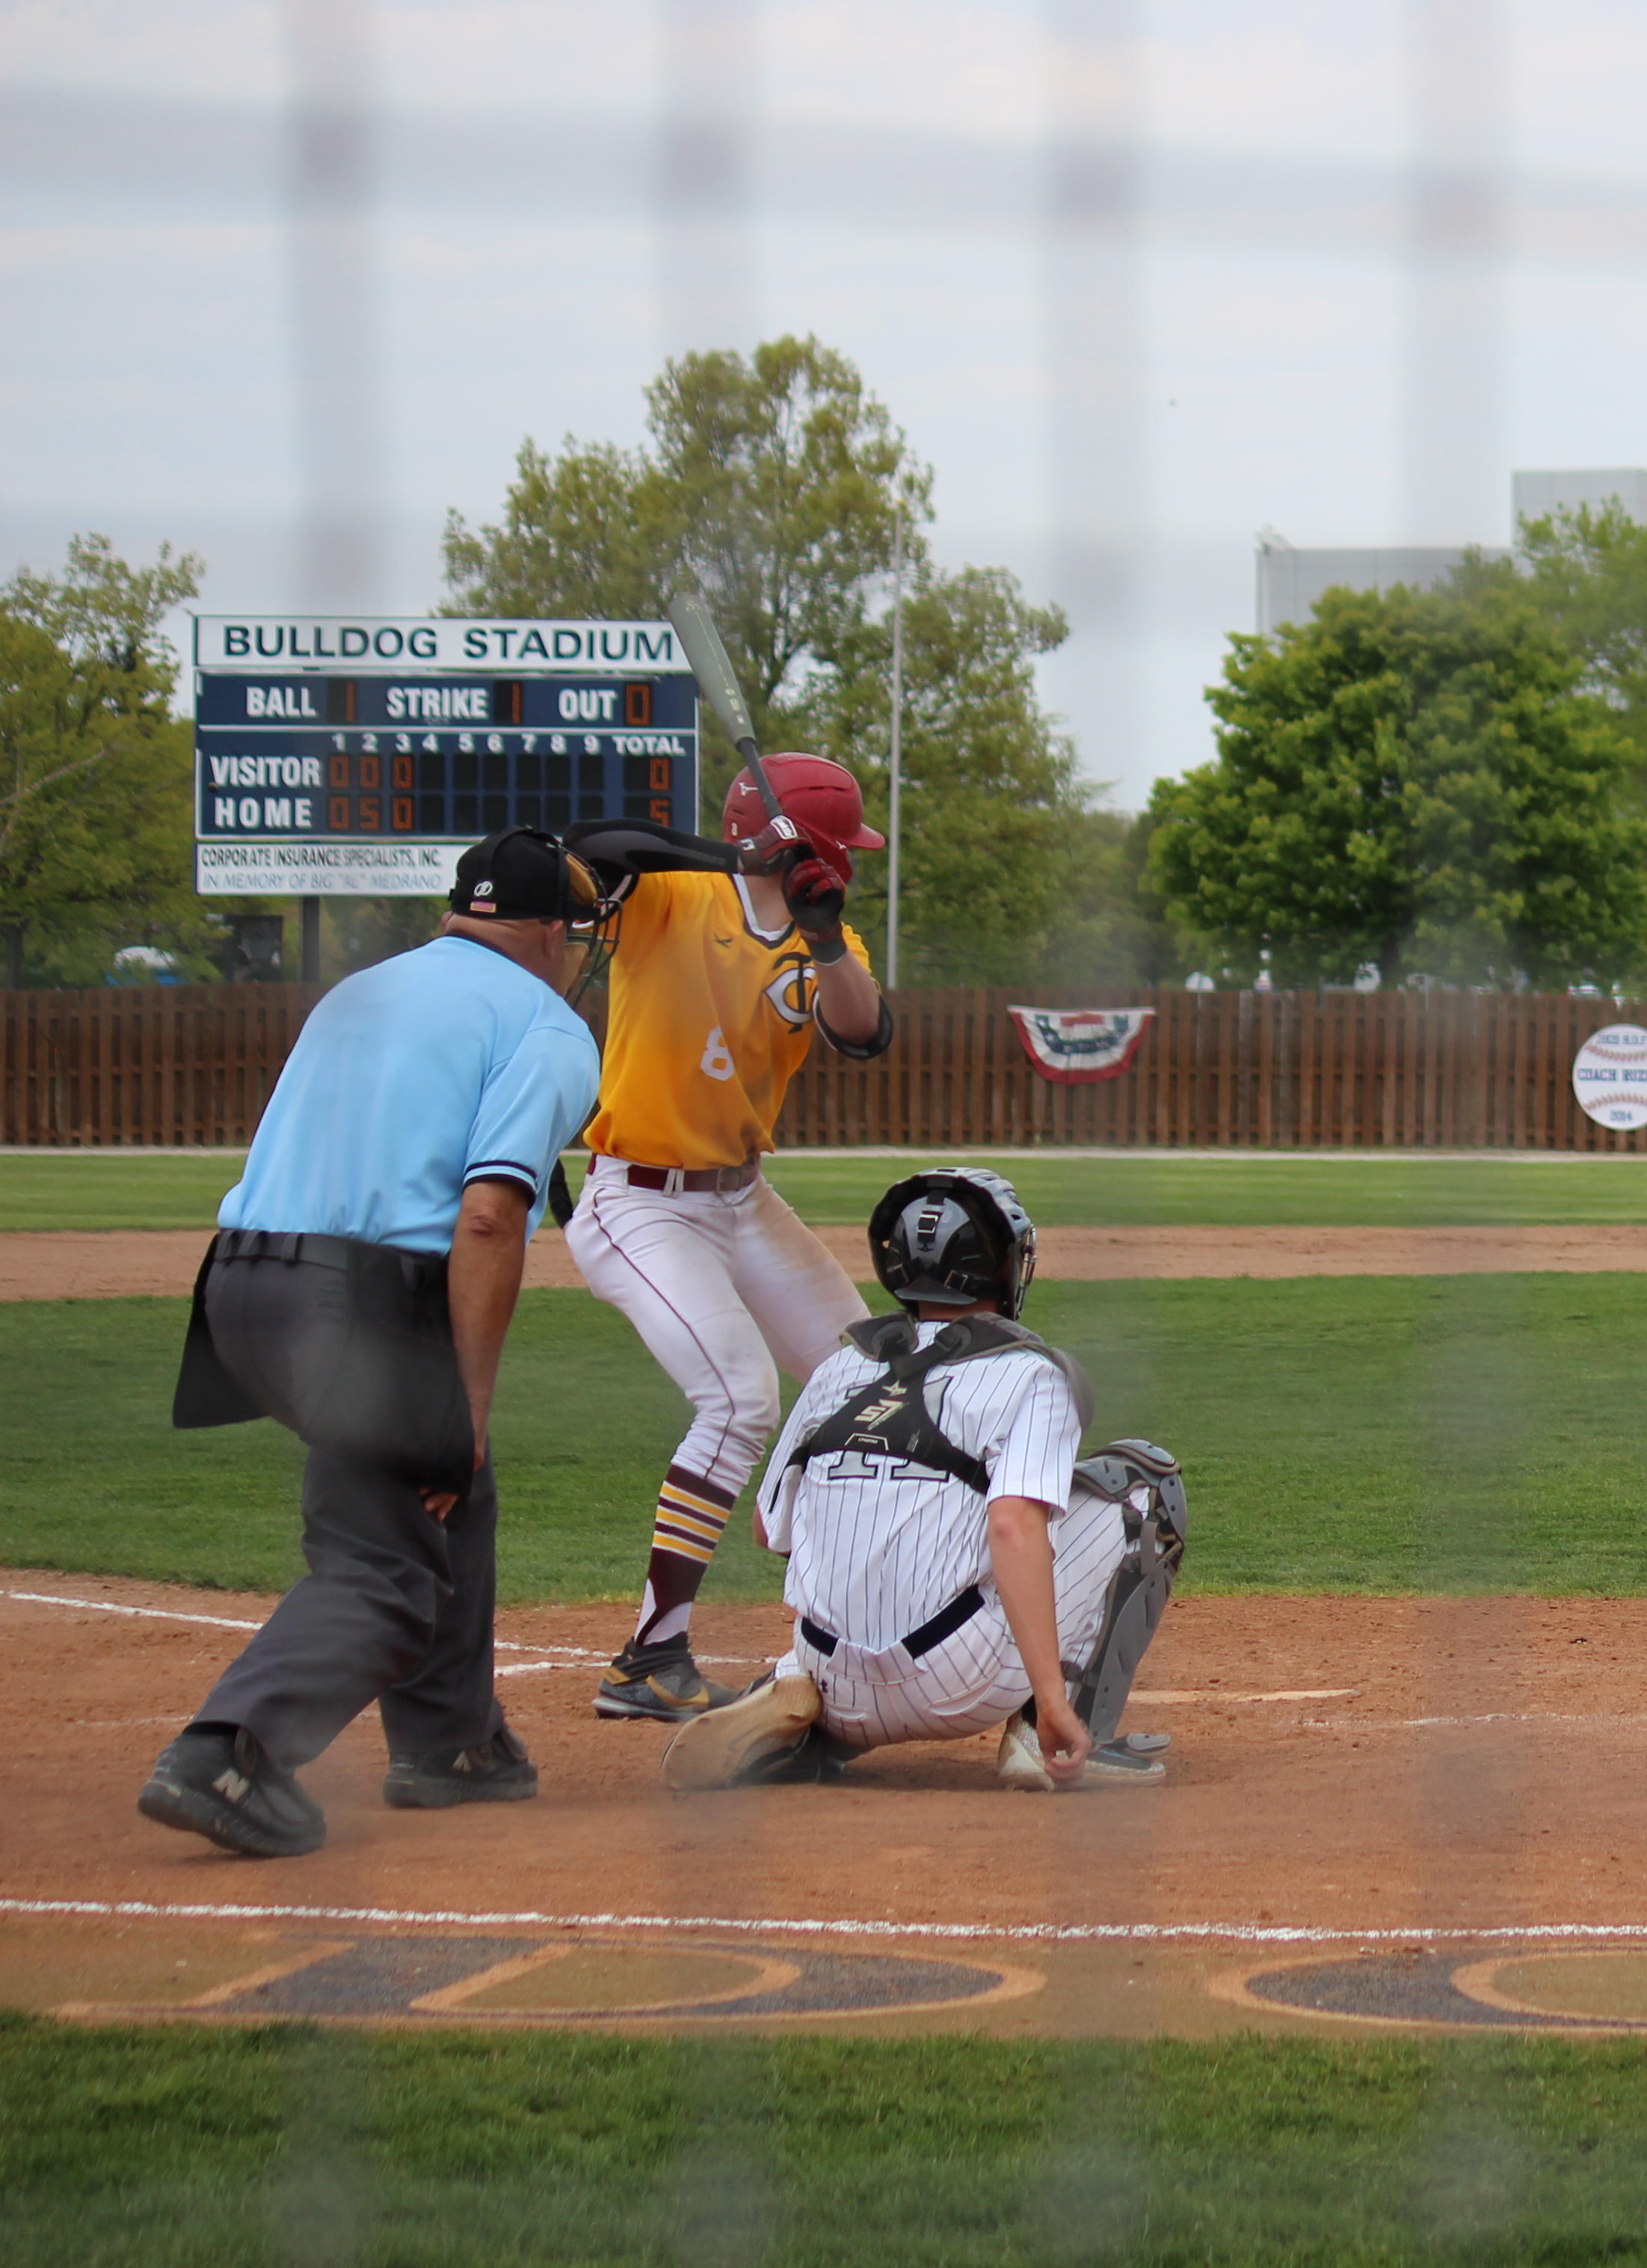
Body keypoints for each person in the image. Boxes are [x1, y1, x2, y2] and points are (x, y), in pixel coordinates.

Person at [140, 829, 606, 1857]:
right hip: (358, 1306)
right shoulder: (549, 1028)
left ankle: (452, 1745)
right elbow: (488, 1217)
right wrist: (465, 1409)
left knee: (442, 1498)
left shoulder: (360, 992)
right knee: (389, 1566)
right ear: (546, 931)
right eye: (576, 937)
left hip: (241, 1286)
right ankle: (227, 1751)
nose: (576, 955)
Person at [661, 1167, 1188, 1795]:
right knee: (1144, 1488)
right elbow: (1012, 1527)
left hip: (831, 1673)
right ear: (1003, 1264)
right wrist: (1049, 1701)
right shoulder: (1029, 1374)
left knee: (934, 1515)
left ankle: (802, 1707)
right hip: (959, 1680)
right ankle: (1058, 1733)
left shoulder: (840, 1368)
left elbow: (769, 1529)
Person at [564, 754, 894, 1722]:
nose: (852, 862)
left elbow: (865, 1031)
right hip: (639, 1200)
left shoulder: (826, 937)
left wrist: (824, 932)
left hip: (743, 1201)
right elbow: (587, 852)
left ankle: (868, 1620)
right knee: (741, 1398)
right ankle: (648, 1659)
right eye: (844, 845)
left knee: (874, 1387)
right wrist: (743, 853)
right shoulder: (669, 896)